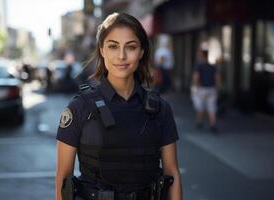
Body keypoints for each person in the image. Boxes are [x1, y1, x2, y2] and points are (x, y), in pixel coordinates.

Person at [55, 12, 182, 200]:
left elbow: (172, 174)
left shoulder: (160, 109)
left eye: (130, 47)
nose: (121, 56)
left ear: (142, 51)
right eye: (113, 46)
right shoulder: (79, 108)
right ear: (102, 50)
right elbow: (63, 179)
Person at [191, 49, 222, 133]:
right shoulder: (212, 67)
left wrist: (195, 87)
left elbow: (196, 77)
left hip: (202, 89)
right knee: (212, 108)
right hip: (212, 89)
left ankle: (199, 122)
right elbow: (217, 78)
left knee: (200, 107)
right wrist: (218, 89)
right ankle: (213, 124)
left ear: (201, 55)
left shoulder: (199, 66)